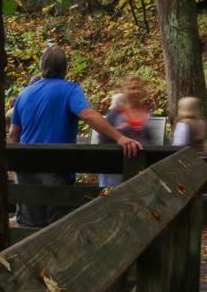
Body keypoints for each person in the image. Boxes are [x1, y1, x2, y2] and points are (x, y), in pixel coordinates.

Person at [9, 46, 142, 227]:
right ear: (65, 68)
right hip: (55, 170)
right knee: (57, 226)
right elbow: (88, 115)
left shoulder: (24, 94)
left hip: (26, 172)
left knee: (29, 226)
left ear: (41, 67)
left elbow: (14, 135)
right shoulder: (69, 89)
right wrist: (120, 137)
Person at [99, 77, 154, 188]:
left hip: (139, 170)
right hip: (115, 169)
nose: (135, 91)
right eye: (132, 88)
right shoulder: (115, 114)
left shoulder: (147, 115)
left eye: (138, 88)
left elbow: (151, 142)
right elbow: (103, 138)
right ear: (125, 91)